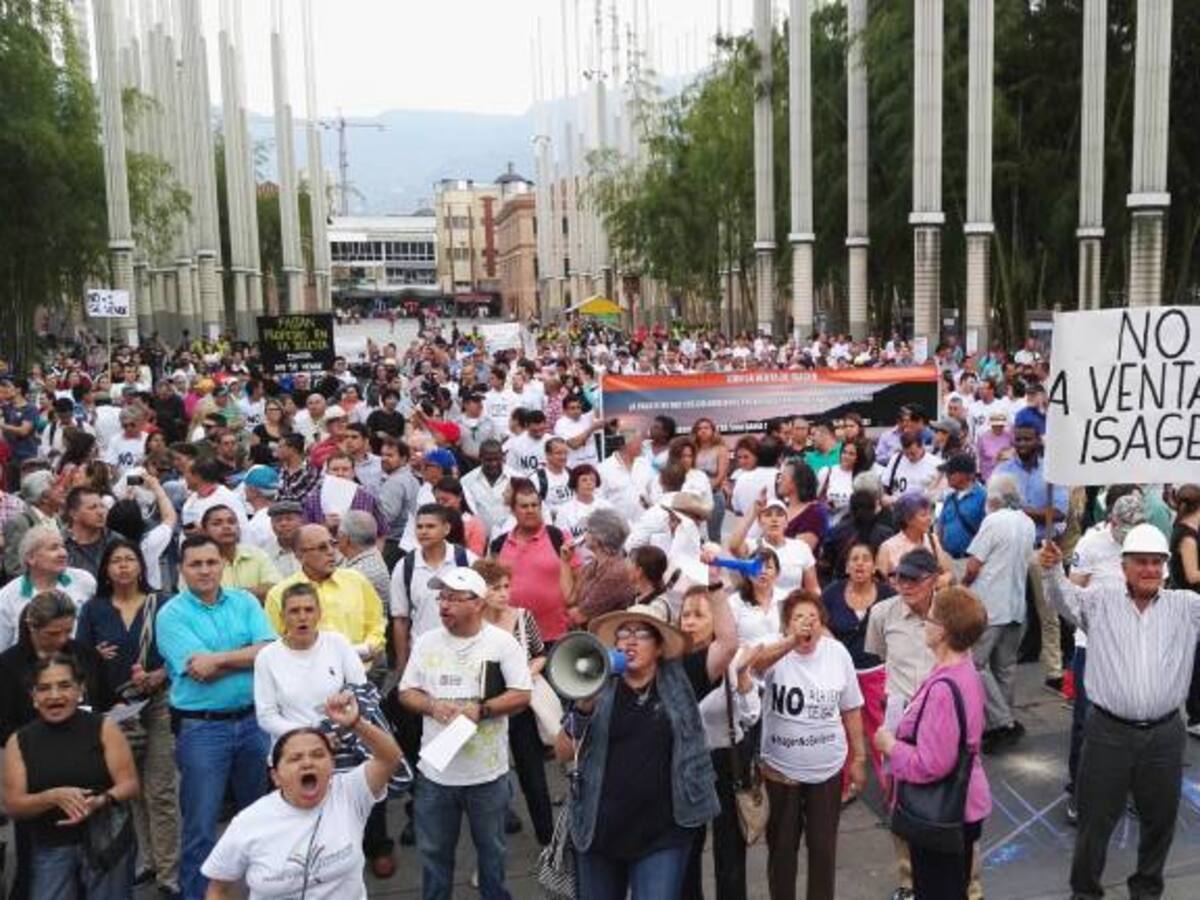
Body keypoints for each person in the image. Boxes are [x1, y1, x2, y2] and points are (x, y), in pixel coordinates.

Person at [1040, 524, 1200, 899]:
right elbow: (1062, 598)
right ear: (1124, 566)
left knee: (1160, 822)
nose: (1149, 570)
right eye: (1141, 562)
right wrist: (1051, 568)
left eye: (1156, 563)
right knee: (1095, 822)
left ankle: (1146, 890)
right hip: (1108, 733)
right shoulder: (1100, 602)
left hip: (1165, 735)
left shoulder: (1187, 607)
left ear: (1166, 567)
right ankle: (1085, 893)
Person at [556, 591, 737, 900]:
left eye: (640, 634)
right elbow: (562, 751)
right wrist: (584, 706)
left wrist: (717, 588)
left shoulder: (683, 676)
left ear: (659, 646)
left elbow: (728, 644)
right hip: (601, 829)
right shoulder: (596, 681)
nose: (629, 641)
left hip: (663, 830)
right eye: (623, 634)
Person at [397, 566, 532, 899]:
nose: (444, 605)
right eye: (441, 597)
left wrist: (482, 710)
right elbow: (406, 691)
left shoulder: (501, 643)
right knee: (434, 858)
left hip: (487, 775)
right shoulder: (427, 641)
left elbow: (522, 694)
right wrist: (433, 707)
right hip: (436, 775)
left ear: (478, 603)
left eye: (454, 598)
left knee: (493, 856)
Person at [155, 534, 276, 899]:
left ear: (222, 564)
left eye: (211, 562)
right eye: (196, 564)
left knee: (259, 820)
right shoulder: (171, 614)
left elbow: (269, 651)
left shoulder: (244, 602)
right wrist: (243, 655)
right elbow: (197, 669)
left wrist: (219, 658)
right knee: (201, 827)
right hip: (202, 730)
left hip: (255, 723)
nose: (205, 570)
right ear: (182, 569)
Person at [201, 690, 406, 898]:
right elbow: (218, 889)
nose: (307, 762)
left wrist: (355, 723)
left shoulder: (349, 793)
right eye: (295, 758)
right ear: (276, 776)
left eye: (318, 755)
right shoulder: (248, 823)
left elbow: (390, 758)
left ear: (331, 765)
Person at [75, 538, 180, 897]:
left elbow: (177, 654)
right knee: (130, 789)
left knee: (161, 789)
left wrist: (159, 676)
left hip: (156, 703)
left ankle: (169, 873)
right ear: (105, 569)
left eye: (129, 559)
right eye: (116, 560)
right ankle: (147, 860)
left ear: (140, 565)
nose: (123, 566)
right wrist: (93, 654)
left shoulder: (161, 604)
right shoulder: (93, 609)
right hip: (113, 710)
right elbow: (79, 661)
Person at [874, 586, 992, 900]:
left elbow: (933, 764)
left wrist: (889, 745)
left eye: (929, 618)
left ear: (942, 632)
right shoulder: (965, 668)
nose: (924, 623)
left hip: (941, 814)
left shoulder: (944, 687)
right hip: (964, 805)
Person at [751, 590, 866, 900]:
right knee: (782, 848)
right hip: (780, 771)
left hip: (827, 769)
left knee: (823, 848)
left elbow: (851, 707)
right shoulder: (774, 651)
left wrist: (859, 758)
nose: (807, 624)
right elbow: (753, 666)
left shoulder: (837, 653)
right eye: (798, 618)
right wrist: (790, 642)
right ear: (786, 624)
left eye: (813, 618)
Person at [2, 653, 140, 900]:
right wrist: (51, 797)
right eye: (44, 688)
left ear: (81, 690)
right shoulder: (20, 741)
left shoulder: (104, 727)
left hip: (105, 842)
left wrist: (101, 800)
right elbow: (14, 806)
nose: (55, 695)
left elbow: (129, 785)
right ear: (33, 696)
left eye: (64, 685)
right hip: (51, 846)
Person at [864, 547, 940, 900]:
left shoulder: (951, 612)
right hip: (899, 711)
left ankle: (968, 885)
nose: (904, 585)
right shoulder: (882, 613)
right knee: (898, 799)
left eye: (913, 579)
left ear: (933, 580)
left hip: (940, 714)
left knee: (951, 798)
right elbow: (880, 655)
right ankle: (909, 882)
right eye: (899, 577)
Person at [678, 585, 760, 900]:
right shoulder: (671, 660)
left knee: (729, 852)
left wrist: (742, 678)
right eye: (686, 614)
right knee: (687, 849)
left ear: (717, 621)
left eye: (699, 615)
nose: (690, 622)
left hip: (726, 760)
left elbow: (751, 714)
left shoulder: (730, 658)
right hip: (686, 763)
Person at [474, 558, 553, 846]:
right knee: (489, 783)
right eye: (496, 588)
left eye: (507, 586)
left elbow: (541, 653)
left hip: (521, 709)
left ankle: (549, 842)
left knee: (534, 778)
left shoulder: (522, 617)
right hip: (485, 711)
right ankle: (492, 852)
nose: (504, 593)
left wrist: (525, 674)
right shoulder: (473, 625)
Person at [961, 474, 1035, 751]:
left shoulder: (993, 521)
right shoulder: (1027, 522)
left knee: (976, 664)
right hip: (1016, 603)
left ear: (994, 498)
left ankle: (1002, 721)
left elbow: (973, 565)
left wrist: (962, 587)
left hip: (990, 603)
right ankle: (1002, 723)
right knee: (1005, 667)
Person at [996, 410, 1067, 692]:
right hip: (1011, 550)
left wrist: (1021, 511)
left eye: (1028, 439)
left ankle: (1054, 670)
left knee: (1048, 612)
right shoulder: (1004, 472)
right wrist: (1035, 513)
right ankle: (1003, 669)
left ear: (1038, 440)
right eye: (1018, 439)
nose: (1022, 444)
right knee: (1009, 612)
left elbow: (1059, 513)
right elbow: (996, 508)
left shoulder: (1053, 470)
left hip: (1041, 548)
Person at [823, 542, 895, 796]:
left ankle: (891, 792)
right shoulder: (832, 593)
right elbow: (818, 621)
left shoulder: (887, 594)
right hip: (842, 676)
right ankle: (843, 789)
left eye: (866, 558)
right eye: (854, 559)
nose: (860, 563)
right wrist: (831, 642)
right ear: (846, 566)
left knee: (882, 734)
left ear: (874, 565)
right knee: (842, 734)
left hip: (877, 674)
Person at [491, 478, 578, 644]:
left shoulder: (558, 537)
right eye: (524, 506)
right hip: (511, 637)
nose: (530, 510)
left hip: (556, 635)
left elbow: (580, 576)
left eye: (534, 505)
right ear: (513, 510)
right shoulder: (499, 544)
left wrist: (576, 608)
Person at [0, 525, 97, 651]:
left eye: (63, 547)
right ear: (31, 558)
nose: (63, 553)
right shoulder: (7, 596)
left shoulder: (84, 581)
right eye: (53, 548)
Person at [728, 495, 820, 596]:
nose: (774, 519)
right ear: (760, 522)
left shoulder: (801, 547)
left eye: (780, 515)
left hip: (791, 607)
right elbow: (733, 546)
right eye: (768, 515)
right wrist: (754, 512)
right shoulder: (752, 546)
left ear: (786, 522)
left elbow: (813, 588)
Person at [568, 507, 637, 627]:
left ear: (599, 538)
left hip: (605, 640)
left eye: (588, 531)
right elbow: (571, 598)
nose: (584, 535)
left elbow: (579, 616)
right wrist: (564, 562)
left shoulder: (616, 573)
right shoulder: (593, 565)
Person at [201, 505, 280, 603]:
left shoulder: (257, 554)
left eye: (231, 522)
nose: (226, 527)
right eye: (217, 523)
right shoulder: (198, 562)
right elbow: (200, 598)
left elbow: (275, 588)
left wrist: (229, 597)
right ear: (204, 531)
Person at [1170, 484, 1200, 736]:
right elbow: (1192, 575)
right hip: (1191, 605)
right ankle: (1196, 716)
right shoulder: (1187, 535)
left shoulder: (1187, 530)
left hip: (1190, 603)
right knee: (1196, 662)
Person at [877, 493, 954, 586]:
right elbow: (880, 585)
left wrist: (938, 582)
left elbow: (948, 573)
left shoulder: (932, 539)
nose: (929, 519)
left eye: (930, 513)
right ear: (908, 519)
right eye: (923, 515)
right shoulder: (887, 547)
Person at [692, 417, 729, 543]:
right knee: (695, 536)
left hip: (714, 496)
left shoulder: (720, 449)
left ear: (713, 431)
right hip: (694, 497)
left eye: (706, 428)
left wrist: (707, 490)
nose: (702, 431)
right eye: (699, 428)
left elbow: (721, 475)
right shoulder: (693, 450)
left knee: (713, 536)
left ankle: (715, 562)